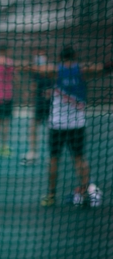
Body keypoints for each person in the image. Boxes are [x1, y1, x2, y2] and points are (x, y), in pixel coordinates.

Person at [26, 45, 112, 207]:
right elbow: (103, 68)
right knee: (79, 158)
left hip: (57, 125)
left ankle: (51, 195)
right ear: (75, 56)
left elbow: (34, 69)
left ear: (60, 58)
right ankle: (85, 192)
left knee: (53, 159)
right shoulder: (82, 69)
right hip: (77, 124)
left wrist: (17, 65)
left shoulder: (55, 70)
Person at [20, 47, 53, 165]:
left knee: (53, 128)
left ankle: (53, 154)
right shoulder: (35, 70)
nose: (37, 57)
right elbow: (34, 85)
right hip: (40, 103)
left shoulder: (51, 68)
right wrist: (29, 94)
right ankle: (33, 152)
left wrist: (50, 92)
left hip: (52, 104)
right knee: (33, 126)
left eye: (39, 54)